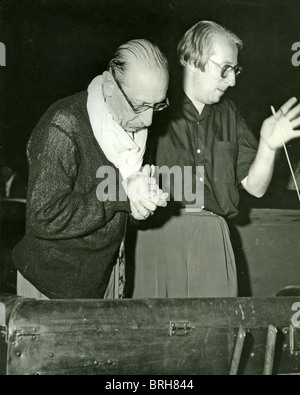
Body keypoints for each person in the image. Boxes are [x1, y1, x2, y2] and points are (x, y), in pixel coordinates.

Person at [131, 21, 300, 298]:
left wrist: (268, 147)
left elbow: (255, 187)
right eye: (225, 68)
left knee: (218, 335)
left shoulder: (230, 114)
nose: (232, 80)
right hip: (158, 235)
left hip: (213, 239)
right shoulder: (154, 107)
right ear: (192, 61)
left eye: (235, 70)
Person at [12, 39, 169, 299]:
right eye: (140, 106)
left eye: (158, 105)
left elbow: (110, 208)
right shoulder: (64, 125)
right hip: (50, 285)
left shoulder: (132, 130)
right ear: (109, 87)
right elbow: (44, 217)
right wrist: (121, 193)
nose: (149, 119)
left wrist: (139, 202)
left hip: (103, 280)